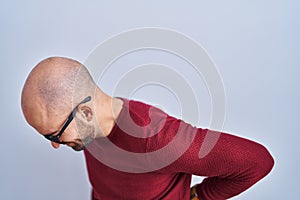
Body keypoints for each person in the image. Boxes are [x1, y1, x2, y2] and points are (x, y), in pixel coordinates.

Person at [21, 57, 274, 200]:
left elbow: (257, 162)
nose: (55, 144)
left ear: (85, 112)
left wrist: (199, 197)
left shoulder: (156, 138)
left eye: (54, 135)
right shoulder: (89, 130)